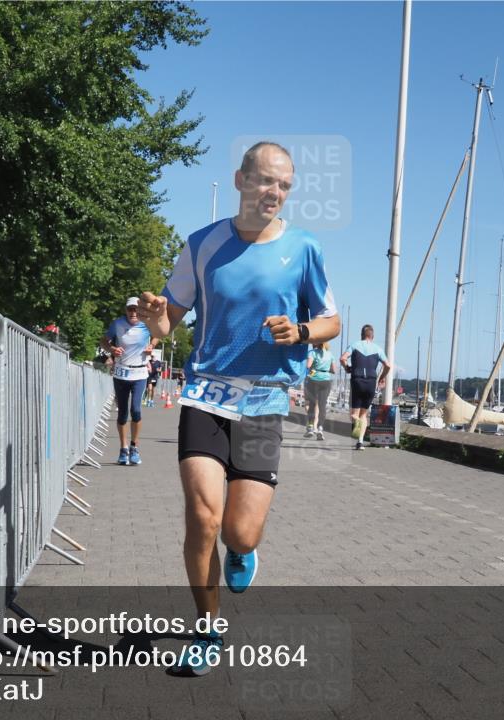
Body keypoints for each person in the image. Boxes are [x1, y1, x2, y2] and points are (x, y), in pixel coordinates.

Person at [138, 141, 340, 675]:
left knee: (238, 532)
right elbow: (166, 326)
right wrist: (155, 316)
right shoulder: (202, 244)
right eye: (266, 180)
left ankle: (243, 549)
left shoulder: (303, 248)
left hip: (264, 399)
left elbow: (331, 321)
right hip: (206, 394)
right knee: (202, 517)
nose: (274, 192)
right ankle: (206, 628)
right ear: (240, 180)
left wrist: (299, 331)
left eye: (285, 185)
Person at [100, 297, 158, 466]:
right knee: (123, 413)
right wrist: (112, 349)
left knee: (136, 411)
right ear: (126, 310)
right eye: (130, 309)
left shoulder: (147, 324)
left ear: (140, 310)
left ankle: (134, 447)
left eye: (135, 309)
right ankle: (123, 448)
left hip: (139, 373)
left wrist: (151, 346)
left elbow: (158, 335)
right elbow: (103, 341)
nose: (133, 313)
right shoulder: (117, 324)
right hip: (121, 373)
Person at [339, 324, 390, 450]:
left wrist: (347, 368)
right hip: (371, 383)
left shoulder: (355, 345)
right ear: (372, 336)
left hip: (357, 380)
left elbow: (342, 358)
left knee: (354, 414)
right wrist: (382, 377)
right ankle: (360, 442)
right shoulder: (378, 349)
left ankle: (356, 426)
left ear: (362, 335)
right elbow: (388, 365)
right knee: (364, 414)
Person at [303, 342, 336, 440]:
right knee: (322, 406)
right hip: (326, 380)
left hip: (313, 379)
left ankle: (310, 427)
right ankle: (320, 428)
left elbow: (308, 366)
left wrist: (315, 368)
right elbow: (334, 370)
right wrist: (325, 370)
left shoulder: (312, 352)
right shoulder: (330, 354)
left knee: (312, 404)